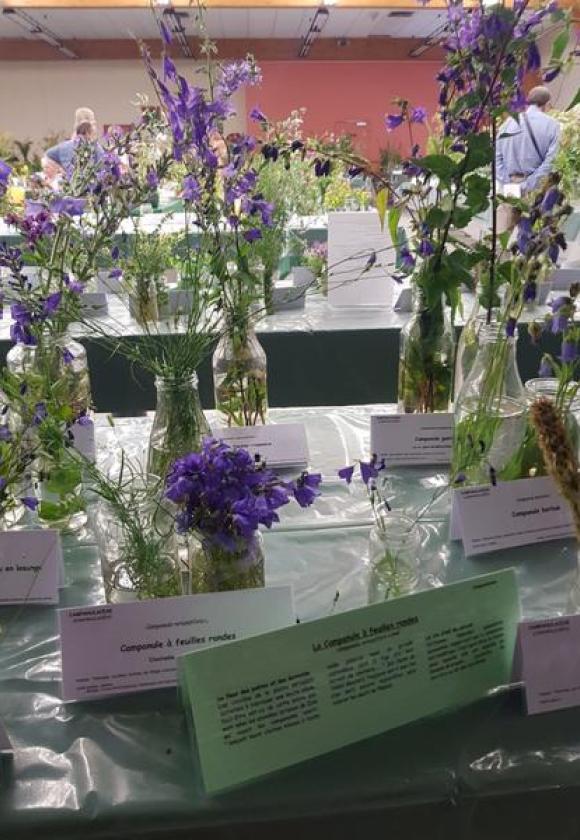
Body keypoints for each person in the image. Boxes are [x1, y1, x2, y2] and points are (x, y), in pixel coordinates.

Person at [496, 86, 561, 195]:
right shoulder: (552, 125)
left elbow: (496, 157)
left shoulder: (507, 124)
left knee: (508, 211)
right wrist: (528, 185)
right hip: (535, 190)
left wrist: (507, 181)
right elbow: (551, 161)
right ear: (547, 103)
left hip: (510, 190)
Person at [42, 107, 102, 184]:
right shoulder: (95, 147)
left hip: (72, 190)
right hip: (89, 190)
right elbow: (103, 167)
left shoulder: (64, 147)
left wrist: (60, 171)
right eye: (94, 125)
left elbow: (48, 155)